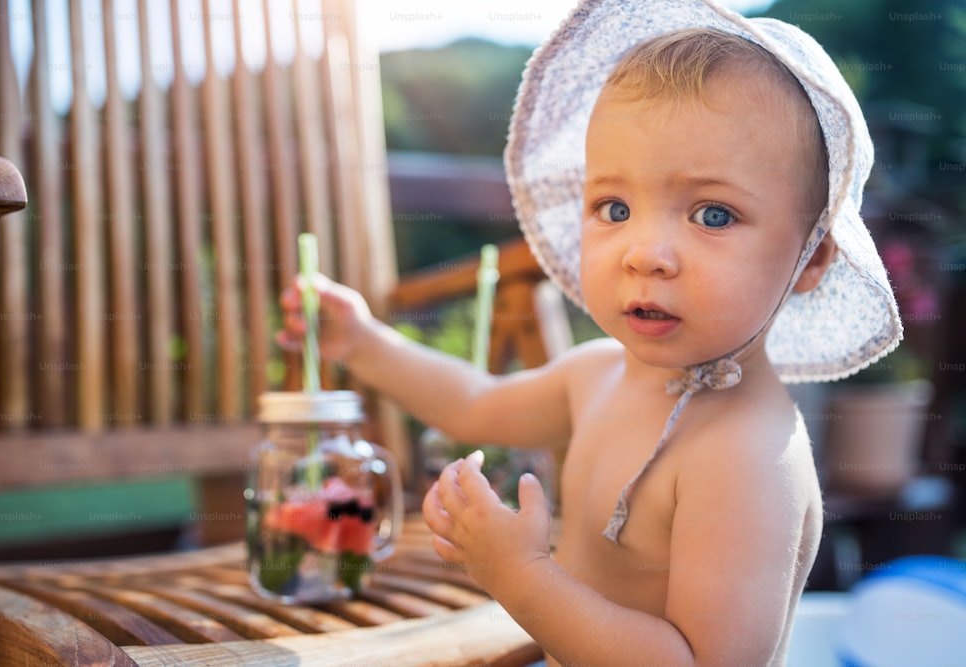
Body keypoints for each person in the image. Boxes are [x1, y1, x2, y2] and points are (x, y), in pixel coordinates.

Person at [279, 1, 902, 664]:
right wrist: (366, 344)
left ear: (810, 258)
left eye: (713, 213)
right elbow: (475, 402)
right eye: (615, 207)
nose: (646, 252)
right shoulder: (598, 372)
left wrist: (521, 574)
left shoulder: (745, 455)